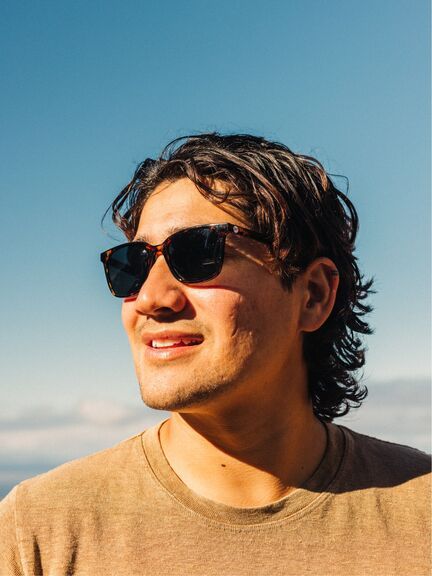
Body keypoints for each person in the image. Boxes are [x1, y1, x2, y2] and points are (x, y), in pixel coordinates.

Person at [0, 133, 430, 576]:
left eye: (199, 253)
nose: (151, 298)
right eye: (133, 264)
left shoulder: (421, 514)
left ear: (313, 295)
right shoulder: (36, 533)